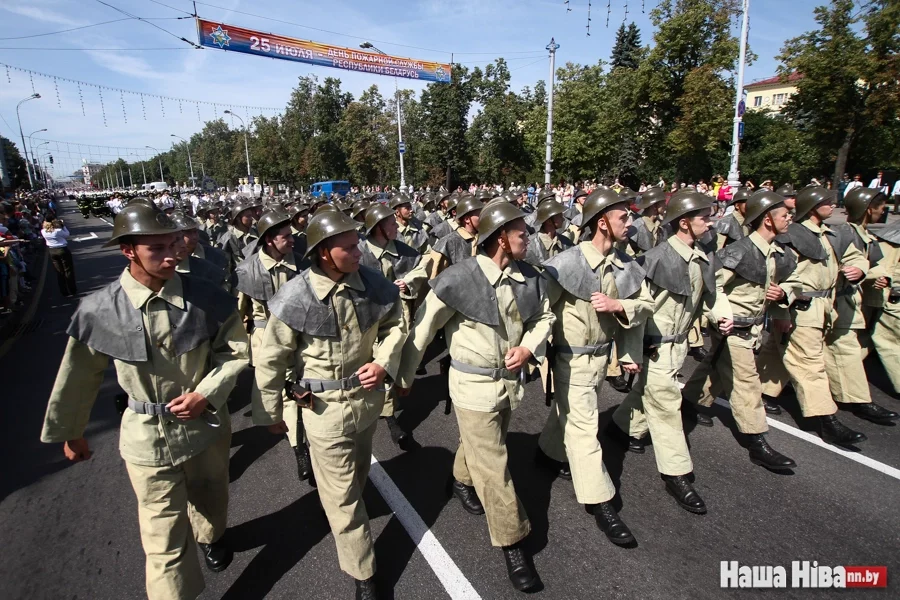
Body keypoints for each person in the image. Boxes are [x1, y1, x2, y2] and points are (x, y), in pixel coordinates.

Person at [40, 203, 249, 600]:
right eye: (157, 248)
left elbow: (236, 352)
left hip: (206, 427)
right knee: (163, 541)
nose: (172, 254)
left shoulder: (206, 296)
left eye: (173, 243)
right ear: (128, 251)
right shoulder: (101, 309)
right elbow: (78, 376)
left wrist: (206, 393)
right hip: (147, 438)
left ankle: (212, 536)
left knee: (213, 497)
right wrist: (71, 432)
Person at [397, 202, 554, 592]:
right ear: (501, 236)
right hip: (471, 388)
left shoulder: (528, 276)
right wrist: (403, 378)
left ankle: (460, 480)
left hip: (509, 384)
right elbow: (423, 328)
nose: (527, 237)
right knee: (495, 464)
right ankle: (513, 541)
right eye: (521, 232)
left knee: (486, 445)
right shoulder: (457, 279)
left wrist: (529, 348)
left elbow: (544, 317)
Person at [253, 209, 407, 600]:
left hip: (366, 403)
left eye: (358, 245)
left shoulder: (373, 284)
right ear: (323, 252)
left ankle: (340, 516)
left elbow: (395, 325)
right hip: (322, 410)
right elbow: (270, 358)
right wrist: (270, 413)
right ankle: (364, 572)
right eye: (350, 247)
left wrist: (383, 362)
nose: (359, 252)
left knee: (355, 477)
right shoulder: (294, 296)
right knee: (344, 497)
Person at [539, 188, 652, 544]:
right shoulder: (567, 263)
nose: (630, 223)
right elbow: (542, 309)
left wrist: (619, 307)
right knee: (585, 430)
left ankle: (546, 453)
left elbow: (645, 306)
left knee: (570, 415)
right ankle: (602, 502)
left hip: (603, 359)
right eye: (623, 217)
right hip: (571, 360)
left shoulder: (625, 265)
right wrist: (532, 352)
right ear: (601, 223)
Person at [611, 192, 733, 514]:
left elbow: (712, 294)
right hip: (656, 346)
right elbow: (637, 311)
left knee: (647, 394)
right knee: (666, 407)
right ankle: (677, 474)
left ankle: (623, 425)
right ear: (684, 223)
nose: (710, 221)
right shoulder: (655, 259)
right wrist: (630, 353)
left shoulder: (703, 256)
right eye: (703, 216)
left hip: (678, 346)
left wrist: (721, 314)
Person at [757, 186, 886, 445]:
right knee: (810, 365)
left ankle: (763, 392)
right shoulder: (791, 236)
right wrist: (780, 310)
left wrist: (859, 270)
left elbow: (857, 257)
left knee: (780, 351)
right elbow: (778, 275)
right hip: (801, 306)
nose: (832, 205)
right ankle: (826, 420)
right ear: (813, 205)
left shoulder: (834, 234)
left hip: (827, 305)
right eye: (826, 201)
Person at [682, 191, 798, 470]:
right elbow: (712, 285)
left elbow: (786, 283)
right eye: (784, 215)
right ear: (768, 219)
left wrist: (783, 298)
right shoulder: (739, 252)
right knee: (747, 383)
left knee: (714, 368)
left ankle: (688, 402)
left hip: (755, 328)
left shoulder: (776, 251)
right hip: (733, 328)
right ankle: (757, 440)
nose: (790, 218)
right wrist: (721, 315)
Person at [359, 202, 432, 449]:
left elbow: (423, 264)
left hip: (396, 315)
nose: (396, 227)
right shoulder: (359, 252)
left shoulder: (402, 249)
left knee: (389, 359)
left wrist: (408, 280)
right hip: (366, 318)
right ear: (379, 228)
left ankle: (390, 417)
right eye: (391, 224)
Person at [42, 218, 77, 297]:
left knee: (59, 272)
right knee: (68, 270)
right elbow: (67, 234)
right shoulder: (58, 231)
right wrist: (62, 225)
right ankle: (72, 289)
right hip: (62, 250)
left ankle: (64, 291)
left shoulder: (43, 232)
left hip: (52, 251)